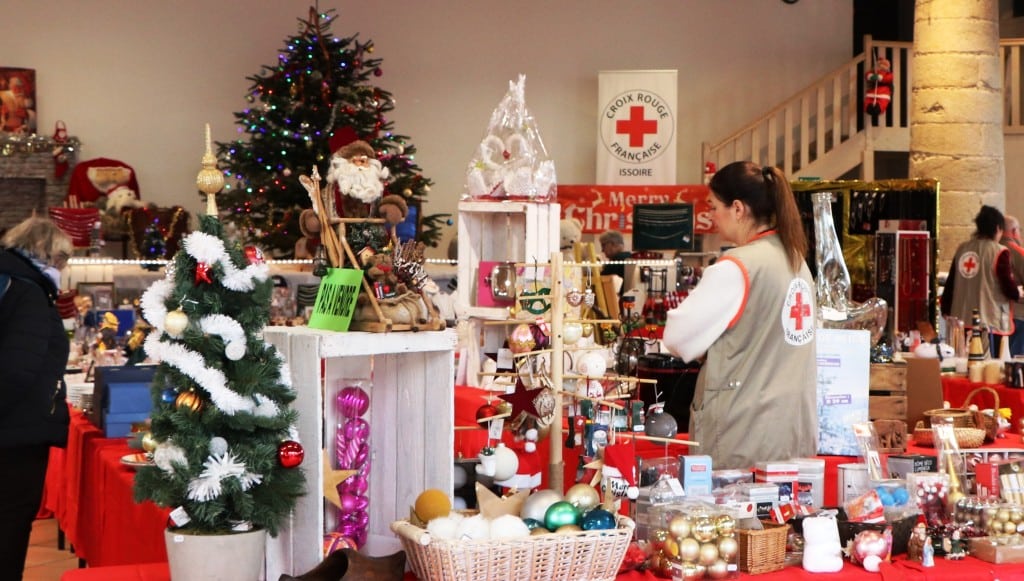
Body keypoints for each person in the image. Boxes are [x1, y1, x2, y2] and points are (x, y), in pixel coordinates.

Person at [661, 161, 817, 470]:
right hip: (792, 429)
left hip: (744, 435)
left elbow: (678, 339)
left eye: (714, 206)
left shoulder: (736, 267)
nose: (711, 216)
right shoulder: (796, 260)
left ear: (737, 208)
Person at [0, 215, 73, 580]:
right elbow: (17, 369)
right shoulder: (30, 292)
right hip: (16, 435)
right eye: (62, 260)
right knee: (10, 527)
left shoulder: (10, 281)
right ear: (47, 253)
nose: (63, 268)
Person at [940, 205, 1020, 357]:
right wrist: (1017, 293)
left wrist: (945, 310)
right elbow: (1007, 286)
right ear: (997, 228)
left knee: (964, 364)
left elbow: (950, 283)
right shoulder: (999, 251)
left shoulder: (962, 249)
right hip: (989, 322)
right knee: (988, 368)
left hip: (961, 320)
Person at [1002, 215, 1024, 356]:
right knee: (1017, 363)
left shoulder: (991, 250)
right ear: (1015, 231)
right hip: (1018, 316)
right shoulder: (1017, 252)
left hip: (996, 318)